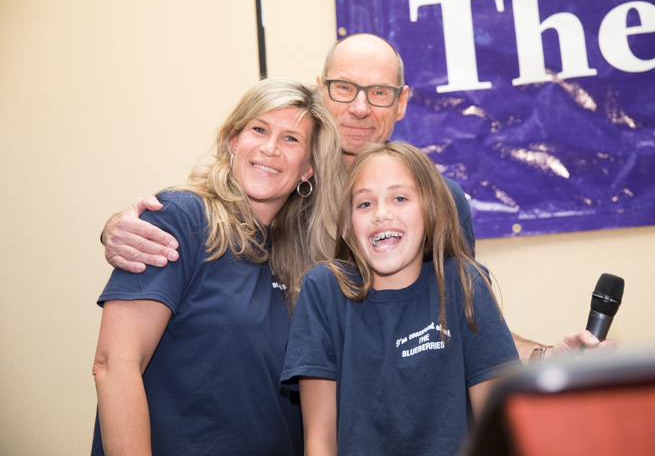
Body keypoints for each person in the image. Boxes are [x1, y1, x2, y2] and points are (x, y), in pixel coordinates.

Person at [99, 33, 615, 363]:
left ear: (402, 101)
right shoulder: (283, 189)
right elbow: (205, 215)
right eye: (344, 88)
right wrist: (119, 226)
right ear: (321, 90)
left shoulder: (441, 204)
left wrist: (545, 358)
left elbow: (463, 330)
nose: (361, 109)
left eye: (380, 93)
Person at [91, 78, 344, 455]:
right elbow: (114, 364)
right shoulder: (181, 219)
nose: (271, 148)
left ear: (308, 169)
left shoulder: (308, 262)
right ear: (233, 142)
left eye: (291, 139)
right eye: (259, 129)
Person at [281, 142, 519, 456]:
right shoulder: (324, 290)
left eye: (400, 198)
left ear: (431, 209)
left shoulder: (463, 283)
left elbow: (502, 434)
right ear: (347, 225)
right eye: (365, 204)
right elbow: (320, 442)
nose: (381, 214)